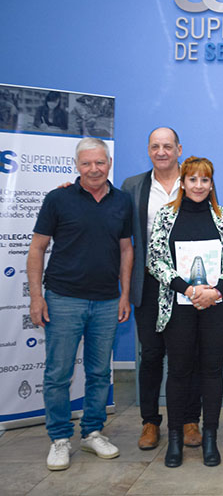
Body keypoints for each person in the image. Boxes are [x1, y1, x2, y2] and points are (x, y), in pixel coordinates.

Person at [27, 137, 133, 471]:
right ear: (77, 166)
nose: (93, 169)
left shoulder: (122, 201)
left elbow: (127, 249)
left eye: (99, 163)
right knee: (58, 373)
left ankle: (91, 432)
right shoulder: (58, 199)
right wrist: (36, 297)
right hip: (63, 299)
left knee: (100, 373)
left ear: (109, 164)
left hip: (106, 301)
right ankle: (59, 438)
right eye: (86, 163)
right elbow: (37, 248)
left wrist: (125, 294)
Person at [147, 156, 223, 467]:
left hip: (216, 305)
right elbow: (155, 259)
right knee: (178, 372)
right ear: (183, 183)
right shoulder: (166, 216)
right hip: (179, 307)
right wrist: (188, 290)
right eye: (193, 180)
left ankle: (210, 437)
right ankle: (175, 439)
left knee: (212, 371)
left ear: (211, 183)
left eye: (205, 180)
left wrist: (215, 291)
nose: (199, 186)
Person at [121, 127, 203, 451]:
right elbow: (123, 238)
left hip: (188, 286)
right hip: (150, 284)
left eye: (167, 146)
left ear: (179, 148)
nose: (161, 152)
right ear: (149, 150)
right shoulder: (133, 187)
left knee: (189, 357)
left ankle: (188, 420)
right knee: (152, 355)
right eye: (155, 146)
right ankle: (150, 422)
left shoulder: (195, 179)